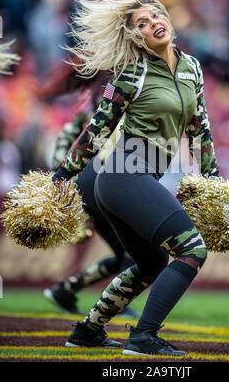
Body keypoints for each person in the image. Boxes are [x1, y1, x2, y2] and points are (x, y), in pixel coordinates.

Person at [52, 0, 219, 356]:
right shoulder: (133, 72)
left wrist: (215, 183)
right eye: (141, 23)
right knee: (192, 249)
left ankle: (88, 331)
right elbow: (97, 128)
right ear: (136, 39)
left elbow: (200, 129)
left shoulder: (192, 67)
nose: (153, 22)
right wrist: (63, 175)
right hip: (122, 176)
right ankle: (144, 337)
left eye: (156, 14)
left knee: (151, 264)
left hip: (137, 178)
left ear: (168, 19)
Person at [38, 67, 140, 318]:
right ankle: (114, 304)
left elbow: (66, 136)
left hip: (88, 177)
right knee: (140, 251)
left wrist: (62, 173)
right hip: (106, 175)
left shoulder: (95, 100)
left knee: (124, 253)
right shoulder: (125, 90)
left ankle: (66, 290)